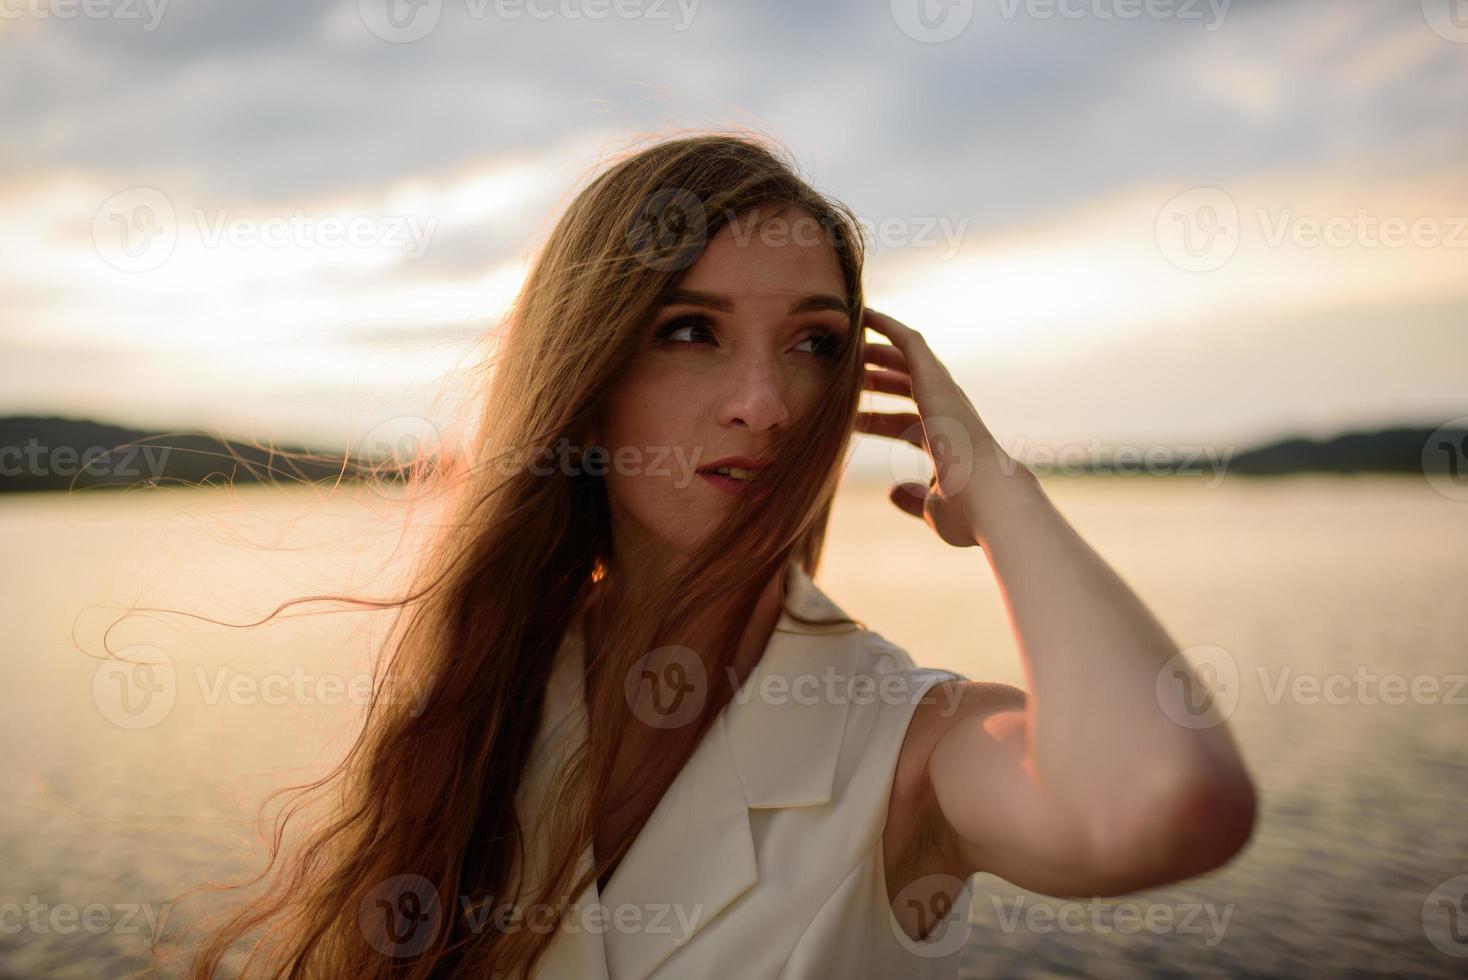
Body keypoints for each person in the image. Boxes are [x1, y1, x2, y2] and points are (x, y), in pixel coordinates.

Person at [182, 132, 1256, 980]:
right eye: (691, 328)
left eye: (816, 344)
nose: (765, 404)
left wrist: (1002, 495)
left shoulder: (906, 747)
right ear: (584, 374)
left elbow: (1167, 801)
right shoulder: (486, 683)